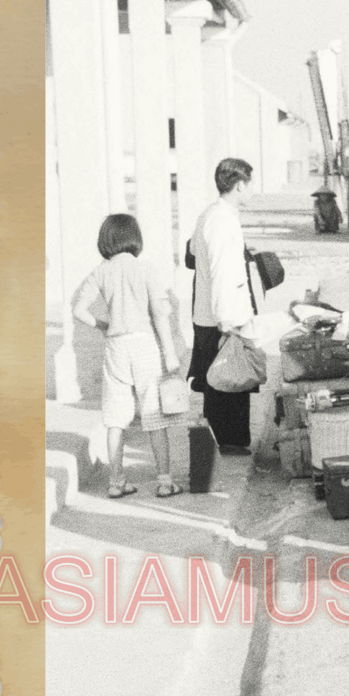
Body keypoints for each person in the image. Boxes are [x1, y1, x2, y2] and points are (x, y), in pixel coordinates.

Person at [72, 214, 183, 498]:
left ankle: (116, 482)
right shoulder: (145, 269)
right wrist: (169, 352)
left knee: (115, 417)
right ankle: (165, 481)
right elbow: (160, 314)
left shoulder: (102, 270)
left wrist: (103, 325)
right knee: (154, 415)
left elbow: (78, 310)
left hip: (115, 346)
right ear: (134, 238)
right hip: (144, 344)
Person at [187, 157, 260, 453]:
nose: (252, 191)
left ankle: (232, 441)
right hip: (221, 316)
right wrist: (225, 321)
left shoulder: (215, 214)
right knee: (223, 384)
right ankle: (226, 443)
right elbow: (218, 270)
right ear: (240, 185)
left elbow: (192, 251)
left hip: (219, 311)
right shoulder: (220, 219)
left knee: (232, 380)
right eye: (250, 185)